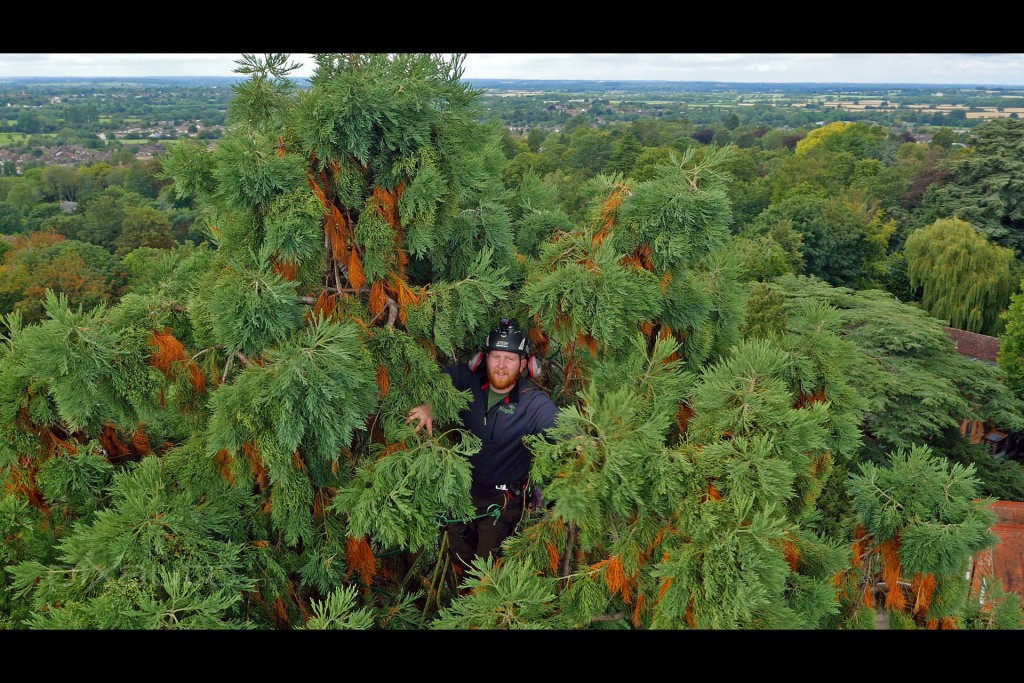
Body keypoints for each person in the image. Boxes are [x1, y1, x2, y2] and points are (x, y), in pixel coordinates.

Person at [406, 317, 559, 570]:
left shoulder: (532, 403)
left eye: (510, 359)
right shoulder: (467, 380)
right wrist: (429, 406)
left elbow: (558, 424)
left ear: (524, 365)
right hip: (461, 496)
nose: (501, 365)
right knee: (459, 561)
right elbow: (438, 384)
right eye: (496, 357)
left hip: (503, 502)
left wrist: (576, 441)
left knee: (487, 570)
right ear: (483, 359)